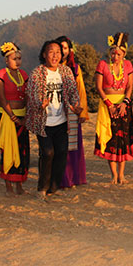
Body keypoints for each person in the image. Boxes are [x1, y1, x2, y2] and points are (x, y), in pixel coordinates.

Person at [25, 40, 81, 197]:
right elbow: (32, 94)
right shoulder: (37, 73)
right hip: (43, 122)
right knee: (47, 152)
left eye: (58, 52)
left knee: (62, 152)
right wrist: (40, 103)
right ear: (44, 54)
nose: (55, 55)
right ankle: (42, 188)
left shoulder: (65, 71)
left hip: (62, 121)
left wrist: (76, 105)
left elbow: (73, 91)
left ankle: (54, 187)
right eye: (51, 52)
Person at [94, 32, 133, 184]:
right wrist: (109, 105)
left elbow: (130, 86)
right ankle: (113, 174)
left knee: (123, 140)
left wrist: (125, 102)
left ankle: (122, 175)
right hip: (108, 106)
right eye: (113, 53)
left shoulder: (128, 65)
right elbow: (99, 87)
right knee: (111, 141)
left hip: (123, 106)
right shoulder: (102, 65)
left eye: (119, 54)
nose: (115, 57)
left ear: (124, 54)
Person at [0, 42, 30, 196]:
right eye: (14, 59)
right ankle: (8, 185)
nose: (17, 61)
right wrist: (13, 117)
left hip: (22, 116)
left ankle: (19, 183)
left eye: (19, 58)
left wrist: (25, 116)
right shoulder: (0, 75)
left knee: (22, 150)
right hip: (6, 116)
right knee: (8, 149)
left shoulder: (24, 75)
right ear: (6, 60)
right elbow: (2, 99)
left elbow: (27, 96)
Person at [57, 36, 89, 188]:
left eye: (64, 48)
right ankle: (60, 179)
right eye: (59, 48)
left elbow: (80, 89)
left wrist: (82, 112)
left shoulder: (75, 68)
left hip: (72, 110)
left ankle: (74, 178)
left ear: (70, 50)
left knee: (73, 146)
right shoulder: (50, 68)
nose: (62, 51)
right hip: (56, 111)